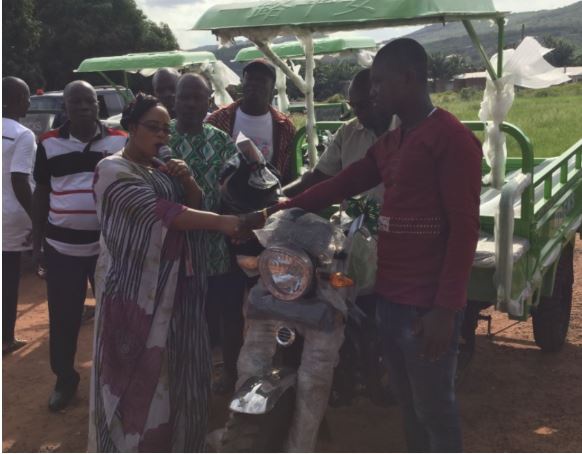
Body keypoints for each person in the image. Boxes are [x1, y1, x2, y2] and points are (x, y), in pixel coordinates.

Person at [243, 38, 482, 452]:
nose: (373, 93)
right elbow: (339, 183)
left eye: (380, 83)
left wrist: (446, 310)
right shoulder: (391, 143)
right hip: (390, 298)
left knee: (435, 409)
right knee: (409, 404)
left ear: (409, 79)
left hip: (426, 304)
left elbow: (464, 230)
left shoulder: (451, 139)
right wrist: (274, 212)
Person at [88, 94, 241, 452]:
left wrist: (187, 179)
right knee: (138, 372)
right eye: (153, 128)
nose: (161, 136)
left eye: (165, 130)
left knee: (177, 368)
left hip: (177, 287)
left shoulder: (162, 166)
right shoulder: (112, 170)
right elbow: (163, 213)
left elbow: (193, 204)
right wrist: (228, 223)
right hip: (134, 293)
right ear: (130, 127)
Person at [32, 80, 128, 412]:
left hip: (108, 247)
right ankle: (65, 380)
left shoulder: (120, 141)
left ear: (98, 105)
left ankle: (114, 380)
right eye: (76, 102)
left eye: (89, 101)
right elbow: (42, 191)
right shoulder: (47, 144)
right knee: (64, 318)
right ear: (66, 108)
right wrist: (38, 240)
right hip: (62, 248)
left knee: (115, 317)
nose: (84, 107)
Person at [169, 73, 245, 394]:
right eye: (183, 97)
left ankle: (230, 375)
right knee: (182, 319)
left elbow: (235, 191)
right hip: (174, 248)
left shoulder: (222, 141)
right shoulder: (161, 139)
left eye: (196, 97)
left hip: (216, 246)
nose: (189, 104)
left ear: (208, 100)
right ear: (174, 100)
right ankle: (185, 381)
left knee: (228, 314)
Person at [283, 68, 396, 200]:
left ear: (381, 97)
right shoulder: (347, 132)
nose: (356, 112)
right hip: (351, 219)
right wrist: (280, 196)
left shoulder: (407, 131)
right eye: (352, 105)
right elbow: (319, 176)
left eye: (362, 105)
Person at [206, 59, 296, 184]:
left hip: (269, 198)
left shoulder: (284, 127)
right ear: (243, 82)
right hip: (226, 198)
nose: (254, 84)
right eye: (250, 78)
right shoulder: (218, 120)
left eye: (261, 80)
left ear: (272, 88)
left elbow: (288, 171)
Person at [2, 76, 36, 355]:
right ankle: (6, 338)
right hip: (12, 216)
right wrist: (38, 218)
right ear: (13, 100)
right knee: (9, 278)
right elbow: (19, 180)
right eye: (26, 96)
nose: (29, 101)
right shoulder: (22, 134)